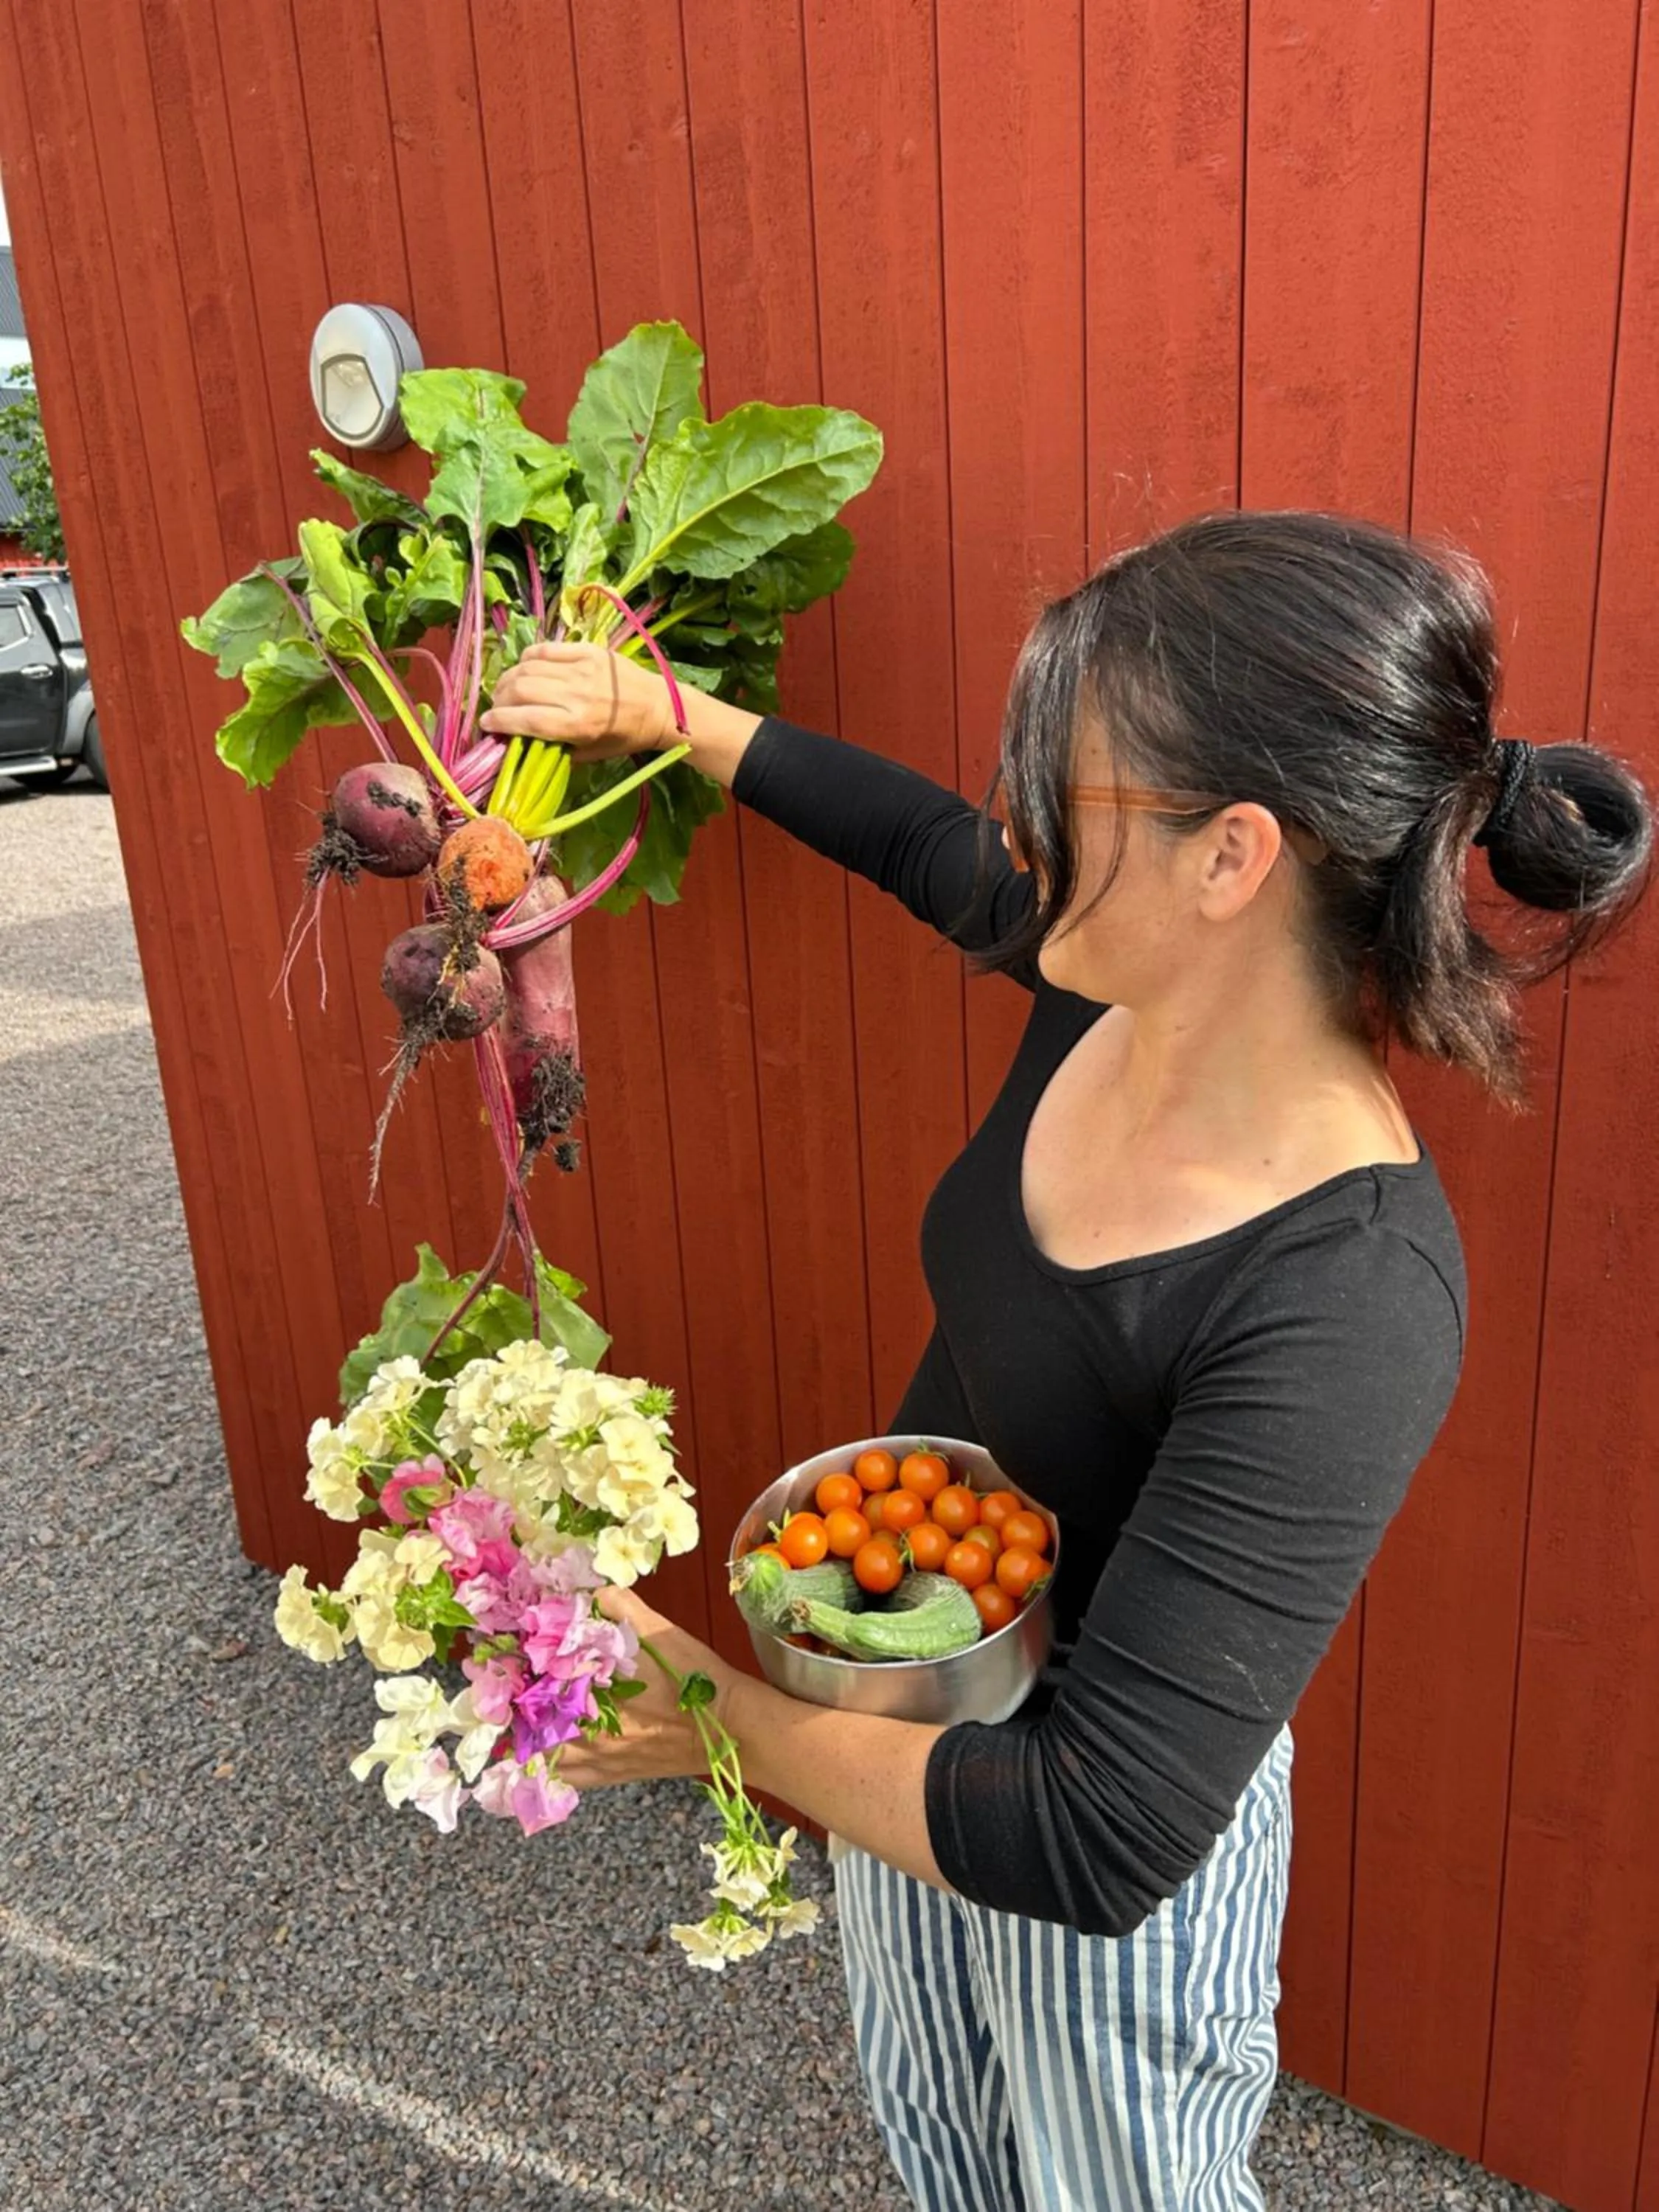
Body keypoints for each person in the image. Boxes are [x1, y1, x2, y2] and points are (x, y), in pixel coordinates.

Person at [481, 510, 1652, 2212]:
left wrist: (713, 1721)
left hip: (1102, 1836)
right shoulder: (1108, 976)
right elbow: (912, 836)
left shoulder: (1348, 1294)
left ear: (1231, 857)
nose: (1017, 824)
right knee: (941, 2139)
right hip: (894, 1713)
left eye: (1062, 784)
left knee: (1121, 2186)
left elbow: (1099, 1835)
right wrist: (663, 716)